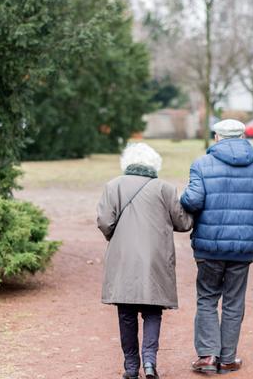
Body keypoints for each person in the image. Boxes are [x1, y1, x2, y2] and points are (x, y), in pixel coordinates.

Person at [180, 119, 253, 374]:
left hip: (208, 246)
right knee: (234, 301)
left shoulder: (201, 165)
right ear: (242, 137)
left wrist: (183, 196)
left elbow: (192, 201)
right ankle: (227, 357)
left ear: (217, 137)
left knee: (207, 297)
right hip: (243, 248)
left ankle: (207, 356)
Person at [97, 143, 193, 379]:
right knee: (152, 312)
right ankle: (149, 364)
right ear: (154, 164)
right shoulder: (165, 189)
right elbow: (184, 224)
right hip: (156, 259)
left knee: (126, 313)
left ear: (127, 162)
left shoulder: (113, 186)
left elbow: (104, 222)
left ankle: (131, 368)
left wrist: (114, 237)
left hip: (123, 259)